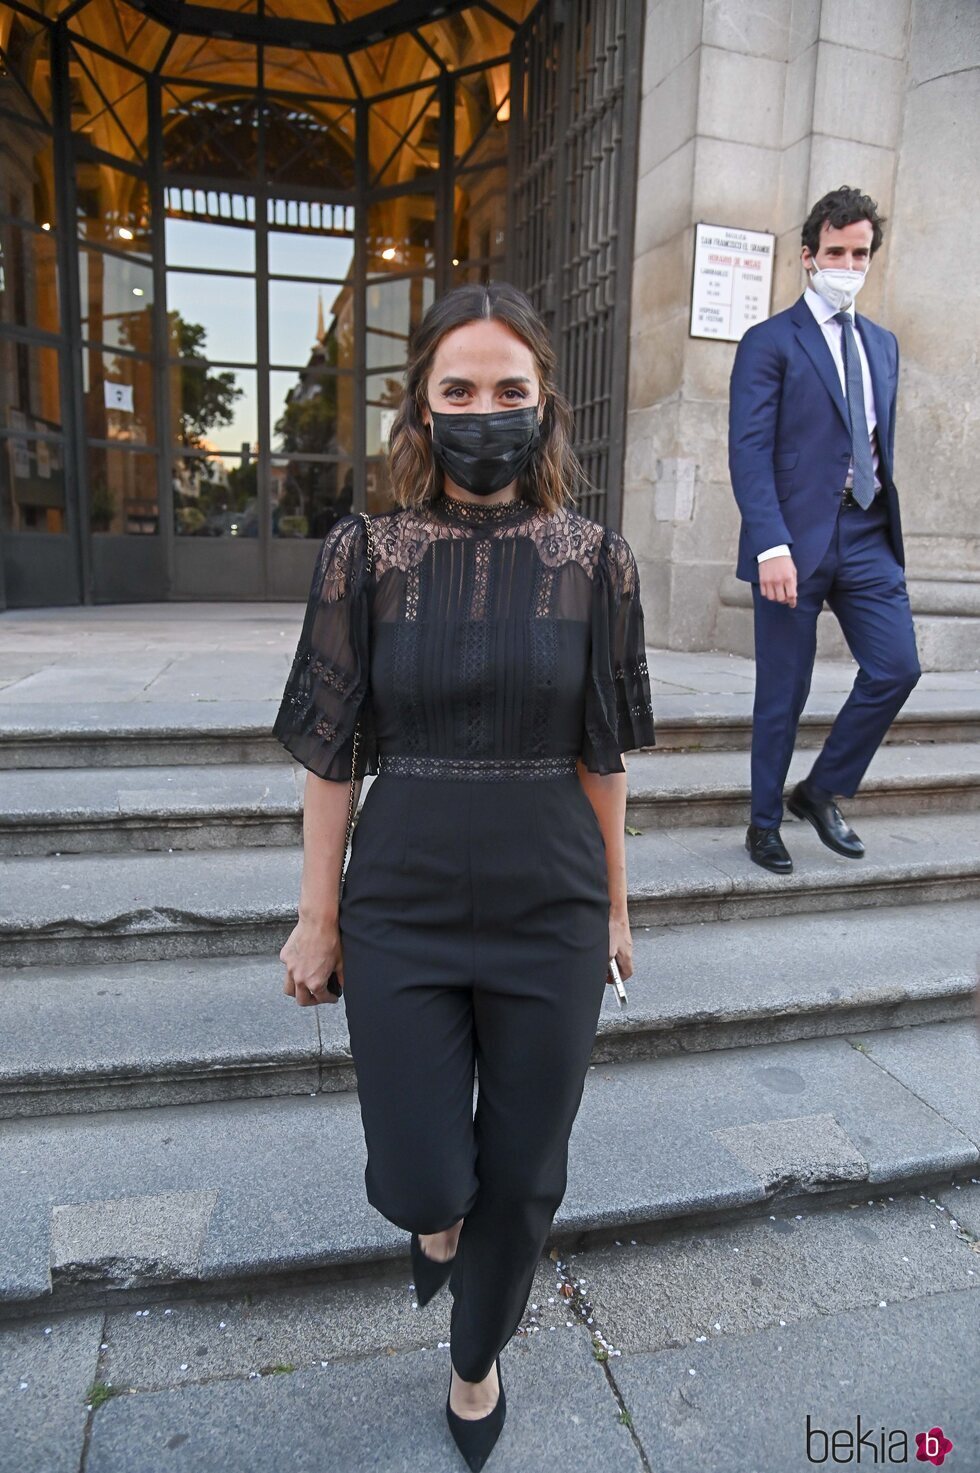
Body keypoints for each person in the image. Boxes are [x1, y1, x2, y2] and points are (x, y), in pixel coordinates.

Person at [273, 281, 656, 1469]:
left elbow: (602, 753)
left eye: (508, 391)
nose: (482, 410)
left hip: (548, 894)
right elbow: (331, 755)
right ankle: (435, 1235)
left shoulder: (597, 562)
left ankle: (475, 1360)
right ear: (420, 408)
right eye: (458, 390)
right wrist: (314, 916)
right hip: (404, 895)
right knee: (423, 1173)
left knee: (527, 1169)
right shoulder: (363, 555)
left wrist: (615, 904)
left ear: (543, 409)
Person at [728, 185, 921, 875]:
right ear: (809, 257)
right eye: (834, 251)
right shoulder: (769, 341)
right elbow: (749, 452)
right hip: (793, 542)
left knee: (899, 666)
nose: (847, 263)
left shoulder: (884, 346)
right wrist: (771, 544)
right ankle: (763, 822)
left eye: (860, 252)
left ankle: (820, 789)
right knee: (784, 690)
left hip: (867, 534)